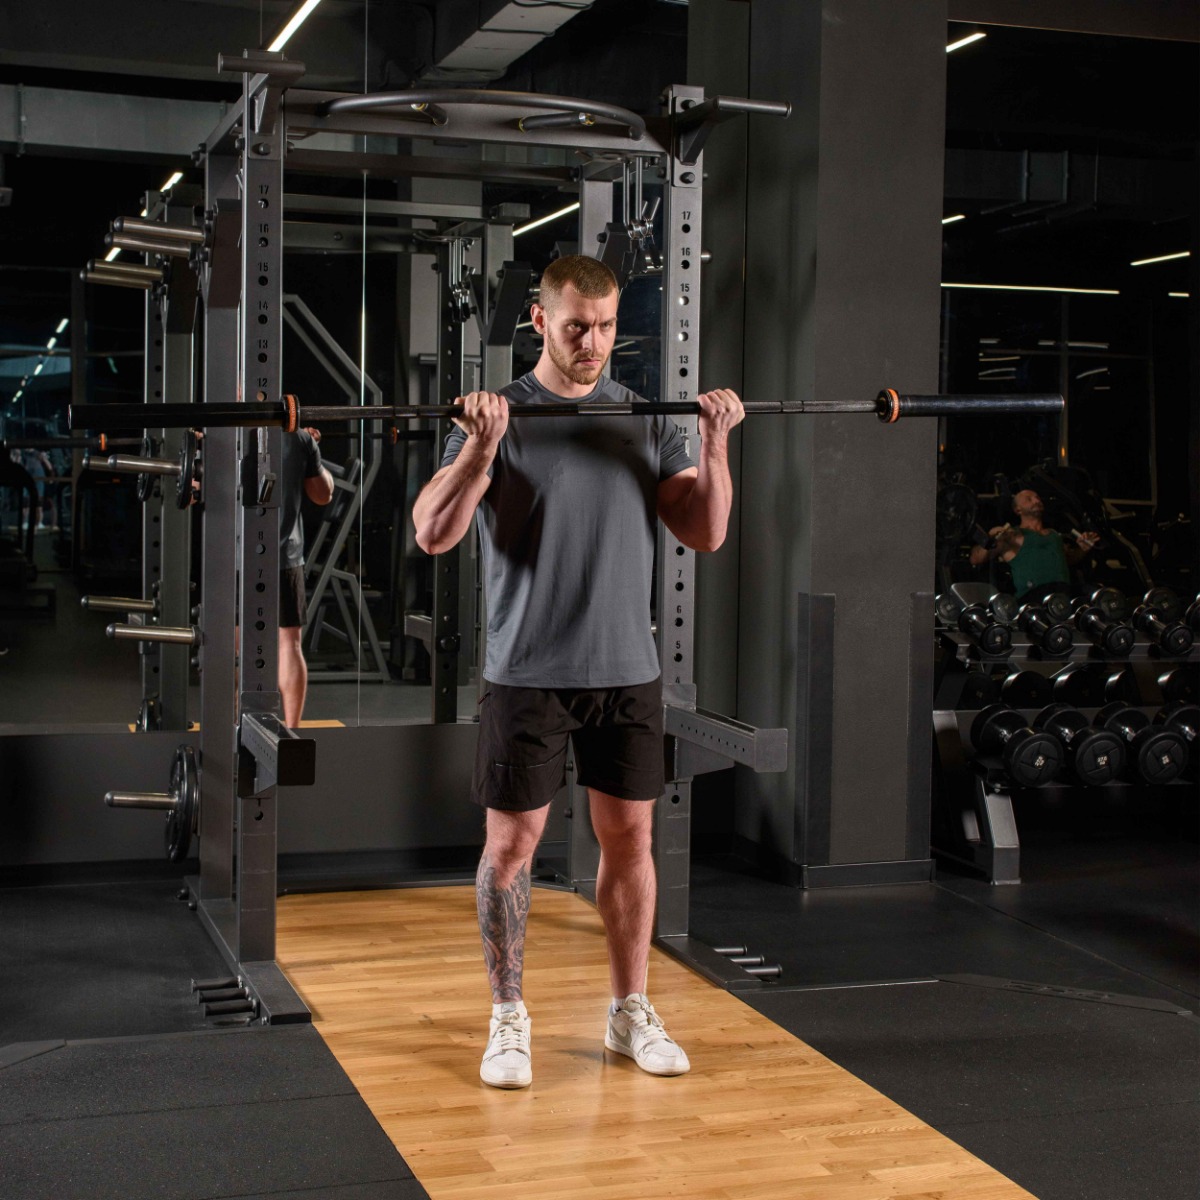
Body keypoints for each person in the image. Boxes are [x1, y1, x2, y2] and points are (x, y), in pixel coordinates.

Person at [412, 254, 744, 1090]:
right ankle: (508, 1017)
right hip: (526, 670)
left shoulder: (646, 418)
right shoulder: (497, 416)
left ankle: (629, 1009)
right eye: (575, 327)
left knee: (630, 839)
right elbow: (432, 533)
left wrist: (714, 444)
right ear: (539, 320)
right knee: (510, 846)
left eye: (605, 327)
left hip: (627, 671)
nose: (592, 343)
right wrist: (480, 448)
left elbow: (705, 532)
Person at [278, 427, 334, 727]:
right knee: (289, 643)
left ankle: (230, 728)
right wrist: (310, 449)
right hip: (283, 556)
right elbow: (323, 494)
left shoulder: (221, 432)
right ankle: (292, 732)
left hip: (231, 557)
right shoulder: (297, 438)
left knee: (232, 645)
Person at [970, 487, 1099, 600]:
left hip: (1062, 597)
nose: (1036, 501)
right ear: (1018, 510)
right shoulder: (1011, 535)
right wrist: (990, 537)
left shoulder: (1054, 534)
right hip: (1033, 598)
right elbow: (975, 559)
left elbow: (1066, 560)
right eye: (1029, 499)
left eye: (1037, 498)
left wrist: (1082, 549)